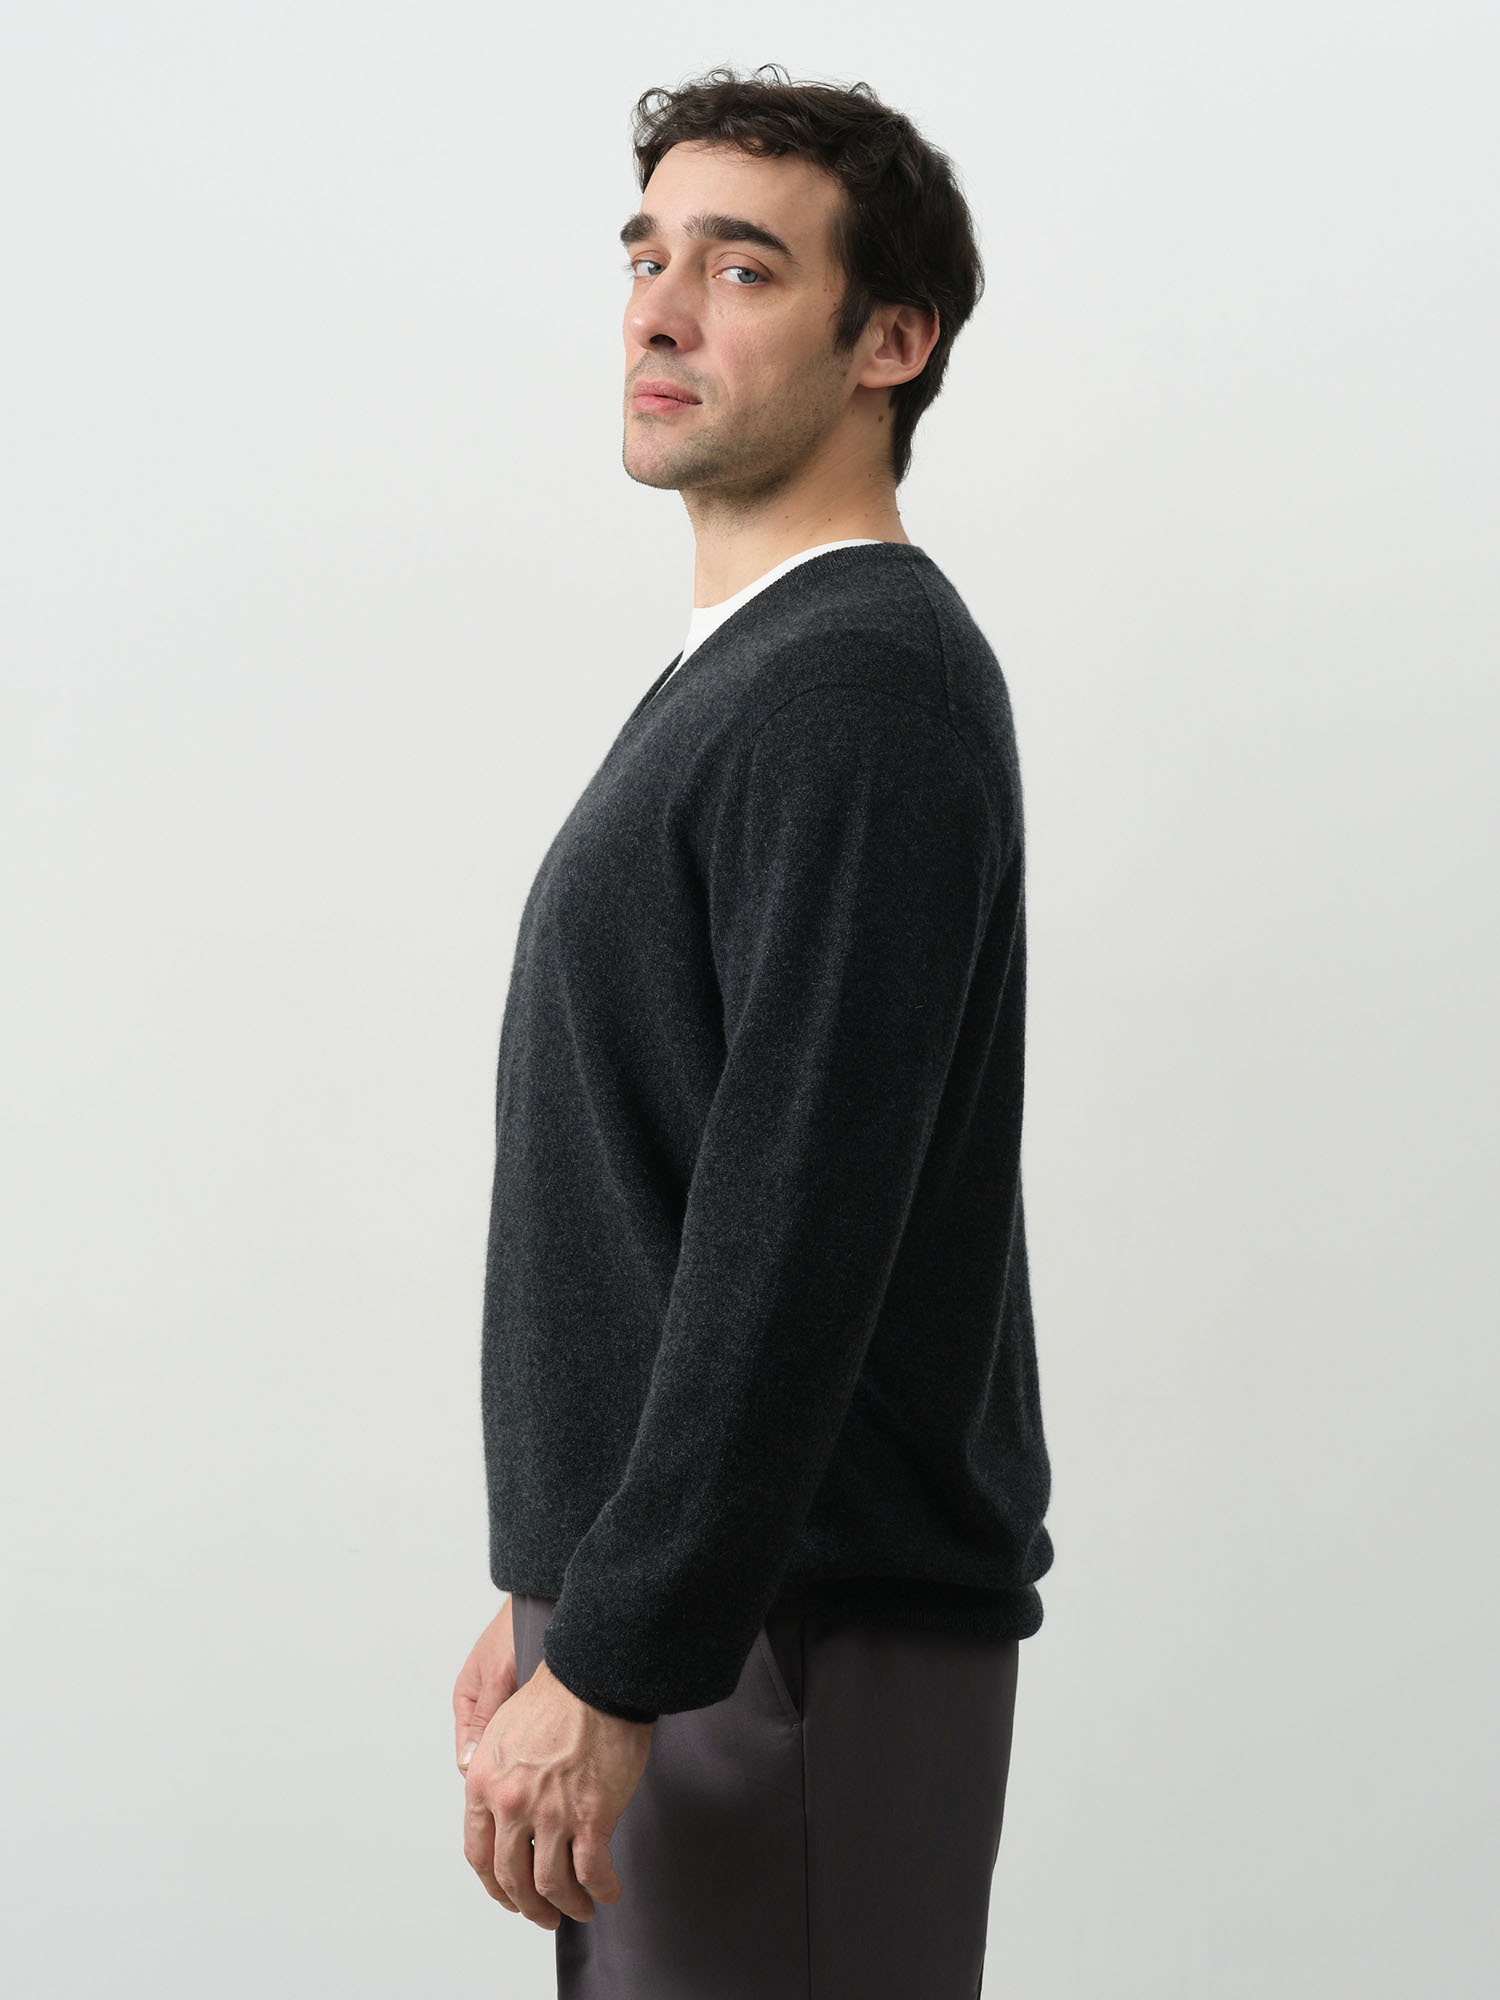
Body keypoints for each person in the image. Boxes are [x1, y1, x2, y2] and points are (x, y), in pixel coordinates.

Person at [452, 62, 1053, 1999]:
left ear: (893, 341)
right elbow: (664, 1169)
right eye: (646, 256)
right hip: (704, 1618)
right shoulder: (758, 677)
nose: (658, 310)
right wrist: (570, 1578)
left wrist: (627, 1635)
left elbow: (797, 1222)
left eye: (740, 267)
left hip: (783, 1633)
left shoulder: (857, 689)